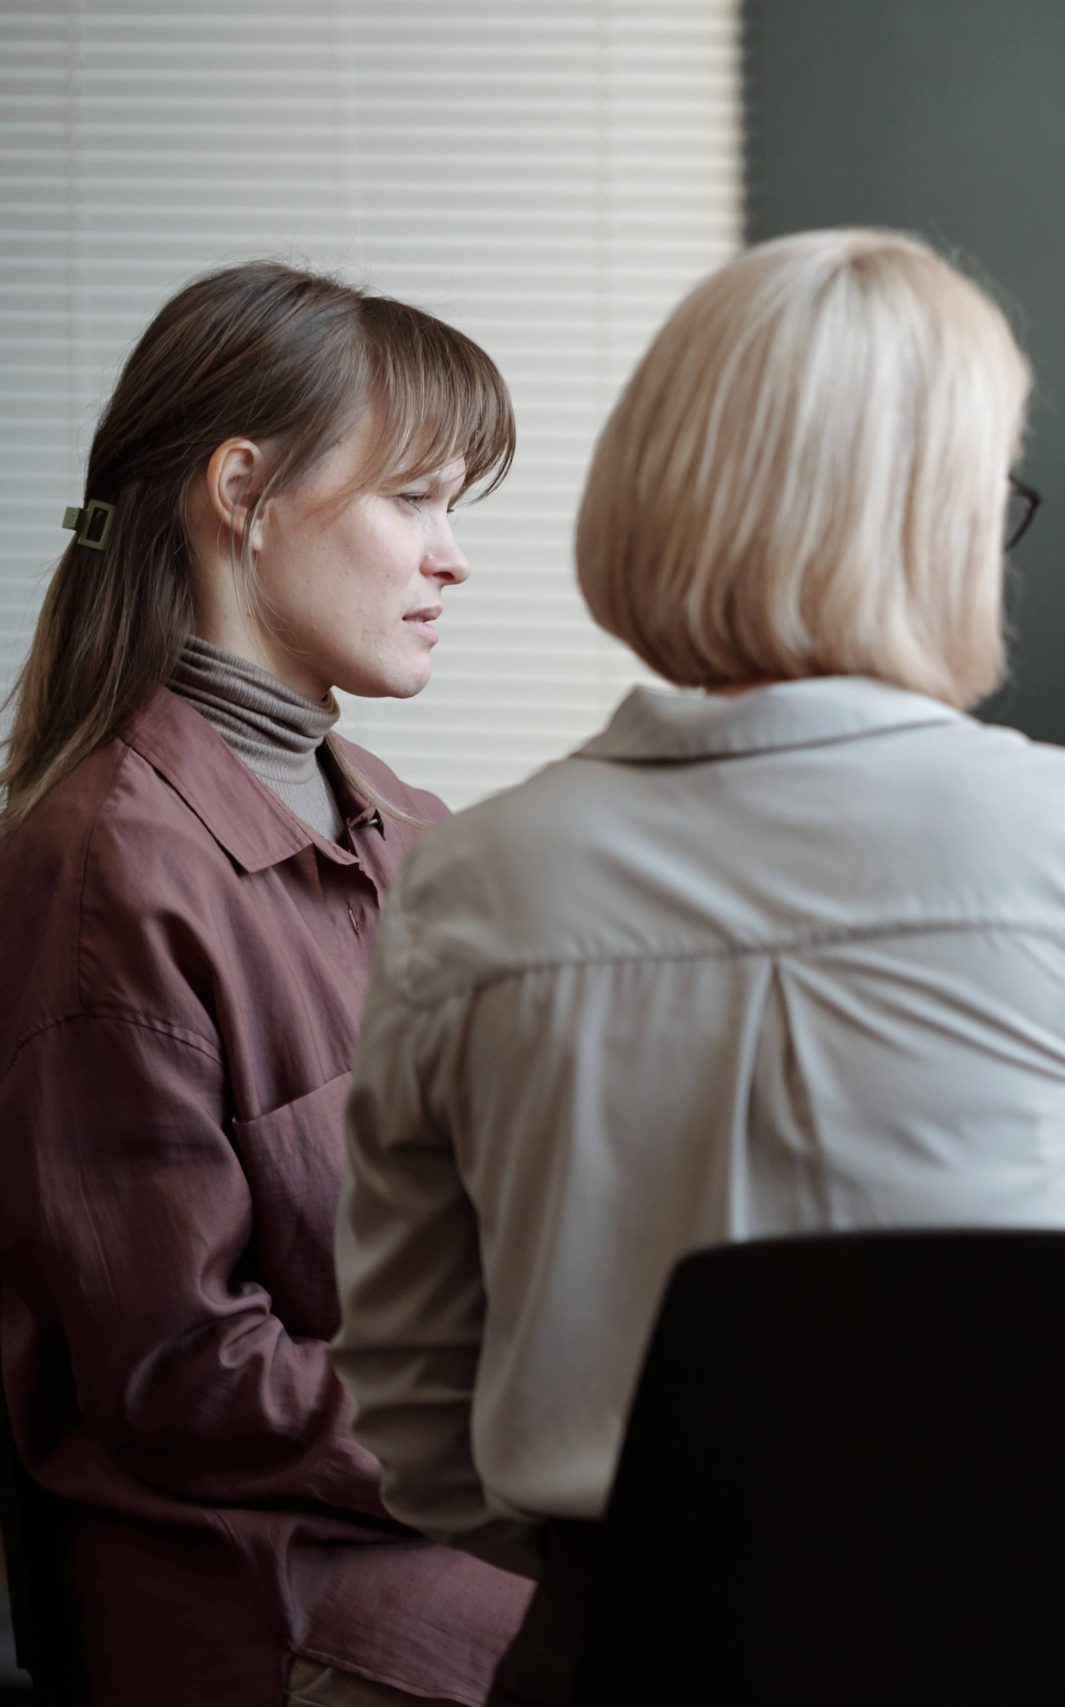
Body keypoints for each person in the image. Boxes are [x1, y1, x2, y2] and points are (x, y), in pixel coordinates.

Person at [326, 229, 1065, 1707]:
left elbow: (412, 1417)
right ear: (948, 524)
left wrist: (685, 1555)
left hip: (639, 1652)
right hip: (1044, 1649)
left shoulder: (470, 883)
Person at [0, 262, 532, 1705]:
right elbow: (183, 1368)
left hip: (457, 1527)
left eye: (454, 510)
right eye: (412, 498)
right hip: (281, 1601)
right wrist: (530, 1438)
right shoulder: (109, 873)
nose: (452, 557)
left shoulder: (413, 828)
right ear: (240, 489)